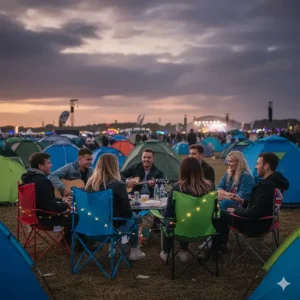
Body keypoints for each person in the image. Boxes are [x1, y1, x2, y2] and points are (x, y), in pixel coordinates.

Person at [212, 152, 289, 255]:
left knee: (218, 212)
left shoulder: (266, 186)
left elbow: (253, 213)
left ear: (266, 166)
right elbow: (259, 205)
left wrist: (236, 210)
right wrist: (242, 202)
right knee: (223, 208)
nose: (255, 167)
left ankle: (215, 250)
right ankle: (221, 245)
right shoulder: (274, 183)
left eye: (257, 164)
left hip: (254, 225)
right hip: (267, 220)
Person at [85, 154, 145, 261]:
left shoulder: (90, 184)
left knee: (119, 217)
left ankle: (113, 247)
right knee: (135, 217)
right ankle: (134, 250)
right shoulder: (117, 184)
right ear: (114, 166)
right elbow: (127, 213)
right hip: (111, 229)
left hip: (90, 228)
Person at [160, 157, 213, 263]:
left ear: (182, 170)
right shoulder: (210, 187)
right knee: (182, 219)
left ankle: (166, 252)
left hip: (181, 229)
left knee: (170, 220)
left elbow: (169, 212)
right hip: (205, 229)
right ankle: (183, 250)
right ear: (199, 170)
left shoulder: (177, 188)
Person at [21, 153, 72, 226]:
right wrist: (66, 205)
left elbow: (43, 199)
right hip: (46, 219)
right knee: (76, 217)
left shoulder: (27, 179)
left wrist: (61, 200)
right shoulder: (43, 182)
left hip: (31, 217)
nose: (51, 165)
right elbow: (52, 208)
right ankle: (71, 237)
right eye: (48, 163)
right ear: (40, 166)